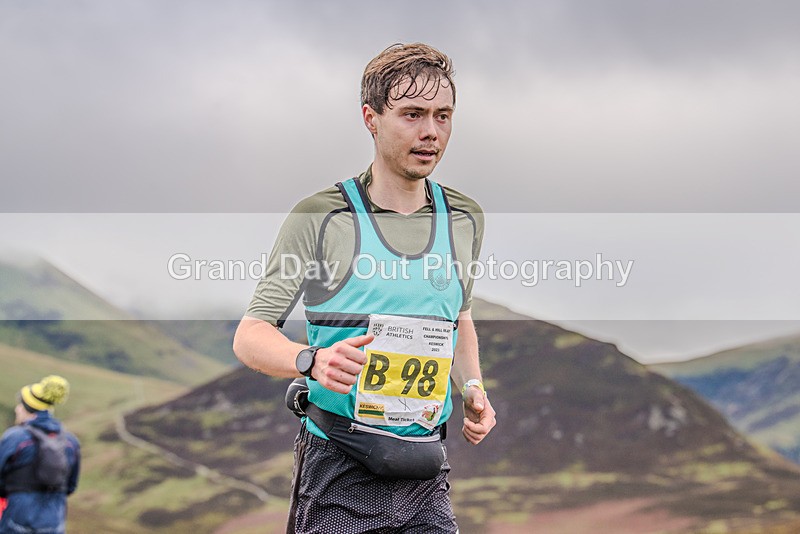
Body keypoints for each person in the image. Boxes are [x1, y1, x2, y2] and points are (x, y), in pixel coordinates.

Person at [234, 42, 496, 533]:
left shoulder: (464, 217)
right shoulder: (321, 216)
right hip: (337, 470)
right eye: (412, 114)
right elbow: (250, 335)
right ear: (370, 118)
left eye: (442, 116)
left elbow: (457, 318)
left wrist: (473, 387)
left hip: (426, 474)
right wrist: (312, 360)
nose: (430, 132)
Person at [0, 376, 80, 534]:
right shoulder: (70, 442)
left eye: (20, 405)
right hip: (54, 522)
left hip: (17, 519)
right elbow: (71, 486)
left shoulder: (15, 437)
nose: (17, 409)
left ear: (27, 409)